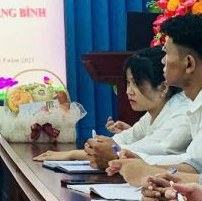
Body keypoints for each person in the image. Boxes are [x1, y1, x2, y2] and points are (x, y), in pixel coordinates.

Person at [33, 47, 190, 167]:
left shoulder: (182, 113)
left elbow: (138, 150)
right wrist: (97, 145)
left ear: (163, 88)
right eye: (128, 83)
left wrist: (72, 154)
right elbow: (120, 141)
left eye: (137, 83)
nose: (129, 91)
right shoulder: (152, 114)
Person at [109, 15, 202, 189]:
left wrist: (146, 169)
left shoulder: (183, 106)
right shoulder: (194, 104)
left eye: (167, 53)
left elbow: (190, 164)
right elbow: (193, 163)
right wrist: (143, 164)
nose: (162, 60)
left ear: (189, 63)